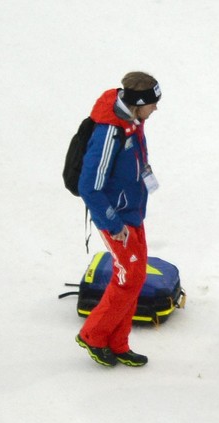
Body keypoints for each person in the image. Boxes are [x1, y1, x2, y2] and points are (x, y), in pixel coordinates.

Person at [74, 71, 162, 368]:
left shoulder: (133, 122)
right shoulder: (110, 133)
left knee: (133, 279)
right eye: (153, 103)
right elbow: (89, 186)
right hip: (116, 220)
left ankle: (118, 343)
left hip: (133, 214)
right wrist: (114, 224)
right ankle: (93, 335)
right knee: (128, 280)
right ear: (138, 103)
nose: (156, 108)